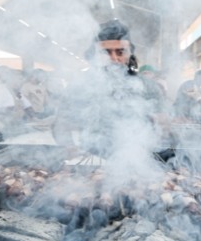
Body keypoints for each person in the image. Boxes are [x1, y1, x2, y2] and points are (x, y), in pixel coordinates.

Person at [52, 20, 166, 160]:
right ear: (94, 55)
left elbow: (162, 124)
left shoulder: (148, 87)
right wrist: (69, 146)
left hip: (137, 159)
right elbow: (61, 123)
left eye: (121, 52)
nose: (114, 59)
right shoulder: (79, 86)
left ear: (130, 54)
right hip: (92, 160)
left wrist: (157, 130)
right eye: (105, 52)